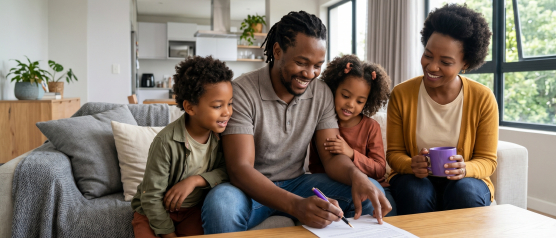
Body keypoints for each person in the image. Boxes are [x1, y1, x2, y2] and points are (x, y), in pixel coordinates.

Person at [201, 11, 391, 234]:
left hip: (299, 183)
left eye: (317, 65)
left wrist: (356, 175)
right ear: (278, 51)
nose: (310, 74)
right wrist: (295, 205)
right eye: (302, 63)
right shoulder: (243, 91)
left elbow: (331, 159)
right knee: (220, 205)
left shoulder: (321, 93)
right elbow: (240, 168)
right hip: (250, 191)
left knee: (371, 189)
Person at [386, 3, 497, 215]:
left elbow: (488, 160)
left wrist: (466, 169)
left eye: (445, 62)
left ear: (465, 63)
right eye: (428, 55)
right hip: (415, 179)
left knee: (465, 191)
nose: (432, 66)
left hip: (464, 181)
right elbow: (394, 154)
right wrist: (411, 164)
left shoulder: (483, 98)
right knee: (416, 191)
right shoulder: (402, 94)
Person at [131, 56, 233, 237]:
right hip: (153, 211)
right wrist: (169, 234)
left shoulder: (222, 136)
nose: (227, 112)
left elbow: (228, 170)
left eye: (230, 103)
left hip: (191, 212)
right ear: (190, 108)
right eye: (218, 106)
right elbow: (151, 197)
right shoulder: (165, 142)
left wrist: (195, 180)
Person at [307, 55, 396, 216]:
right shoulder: (322, 124)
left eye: (360, 101)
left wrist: (351, 153)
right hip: (334, 185)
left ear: (368, 102)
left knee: (388, 211)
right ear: (334, 89)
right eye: (346, 96)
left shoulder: (371, 127)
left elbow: (379, 169)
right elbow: (316, 168)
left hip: (375, 185)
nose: (351, 104)